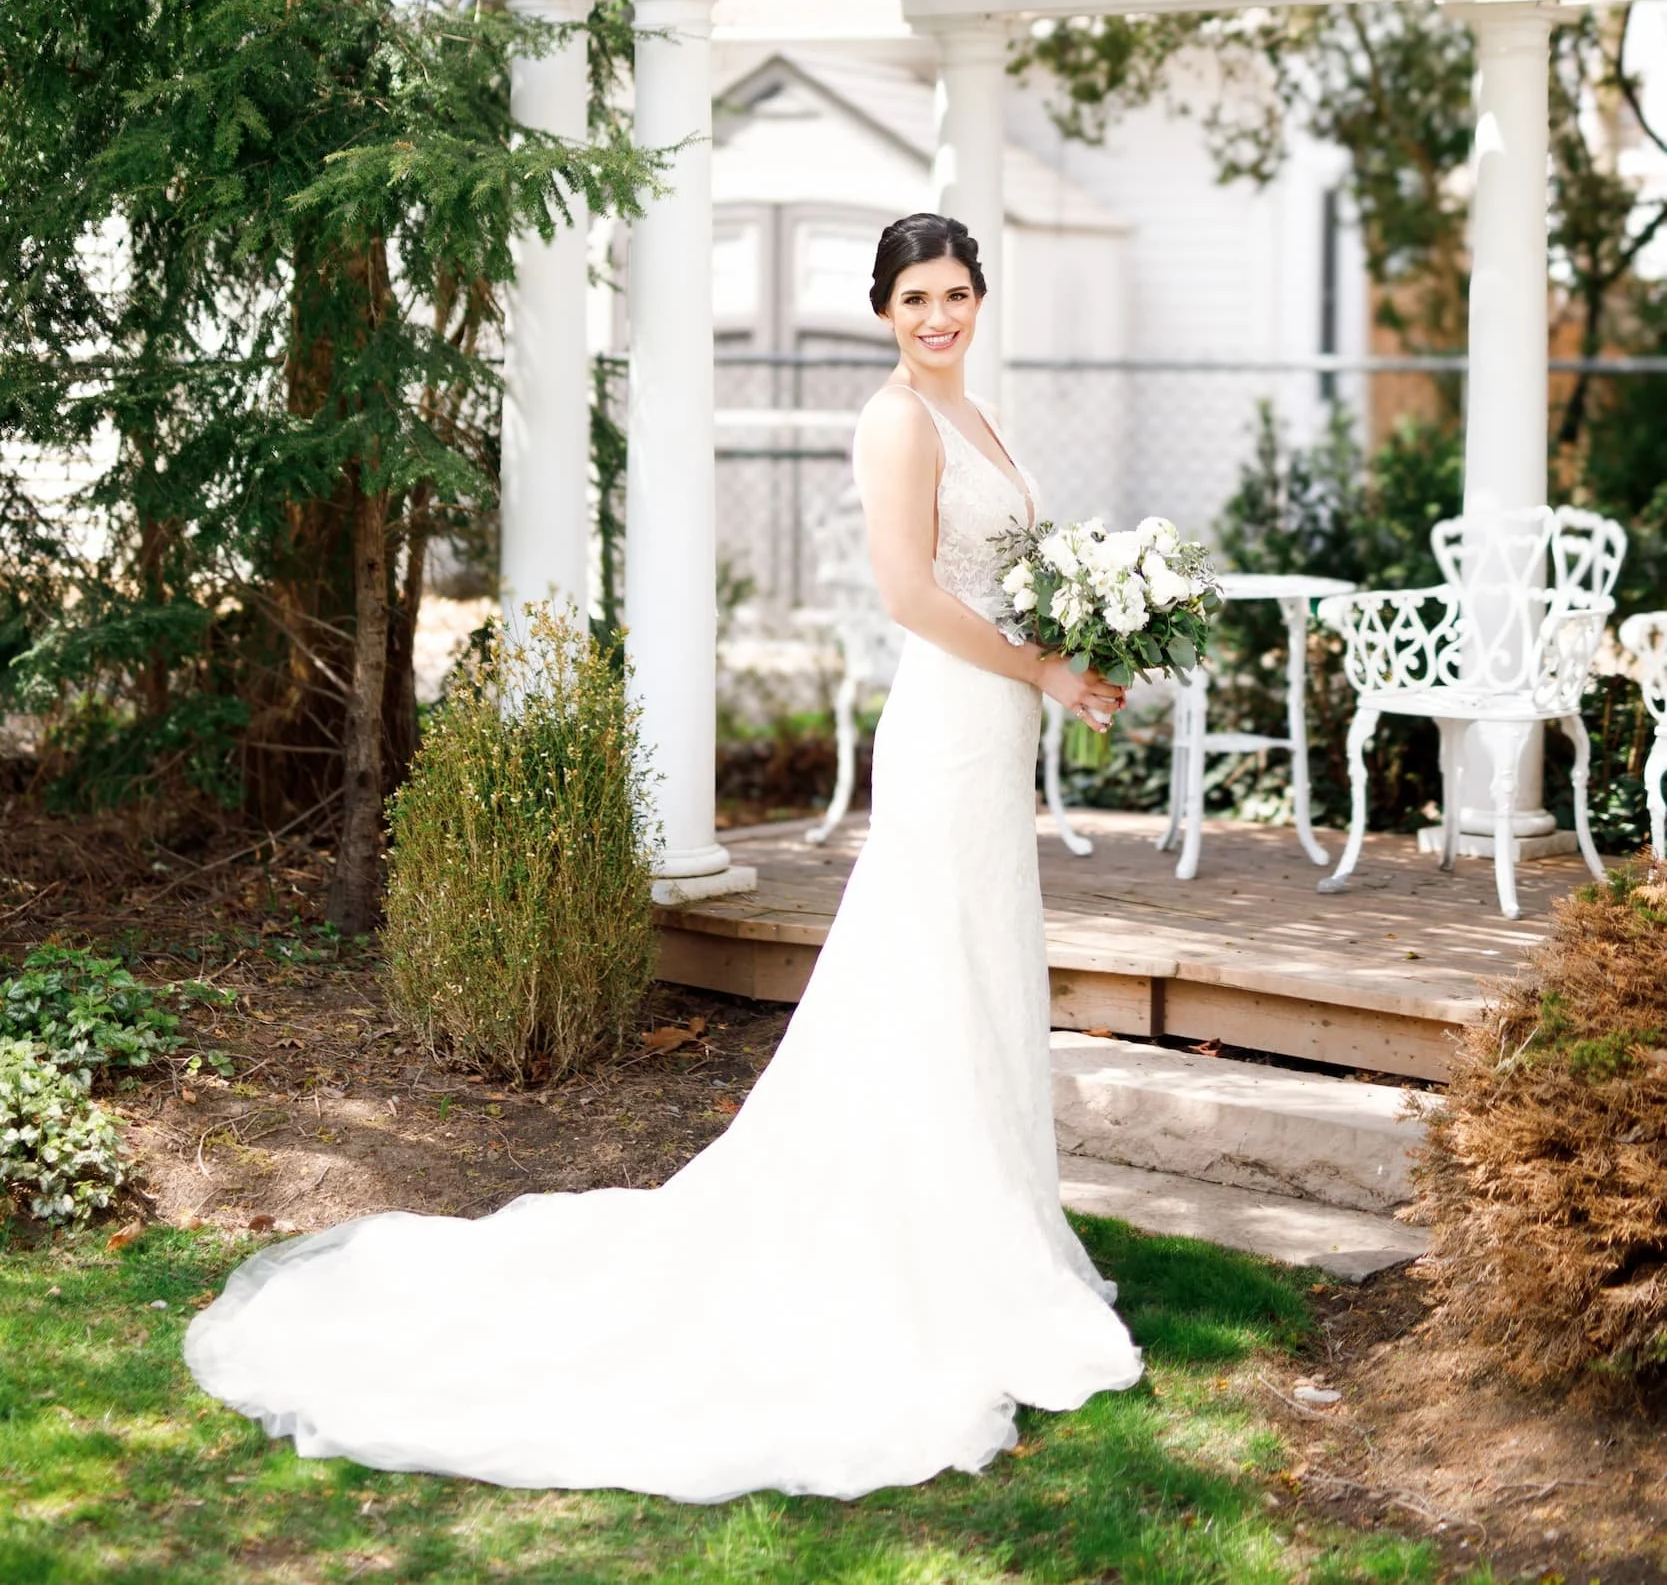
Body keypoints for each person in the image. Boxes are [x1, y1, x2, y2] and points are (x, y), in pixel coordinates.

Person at [183, 211, 1142, 1498]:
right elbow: (910, 593)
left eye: (955, 293)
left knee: (974, 968)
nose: (937, 316)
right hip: (951, 724)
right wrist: (1043, 664)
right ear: (880, 310)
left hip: (995, 722)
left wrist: (1076, 641)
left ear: (979, 298)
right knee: (923, 969)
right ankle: (913, 1248)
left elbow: (996, 573)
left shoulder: (977, 415)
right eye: (914, 297)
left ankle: (987, 1227)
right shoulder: (894, 421)